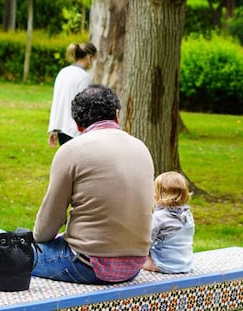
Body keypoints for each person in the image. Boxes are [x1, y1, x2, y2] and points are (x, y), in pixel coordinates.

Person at [32, 84, 155, 284]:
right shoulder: (141, 148)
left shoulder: (72, 150)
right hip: (134, 265)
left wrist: (35, 242)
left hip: (88, 264)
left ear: (78, 125)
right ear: (116, 115)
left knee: (10, 250)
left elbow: (47, 226)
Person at [142, 171, 195, 274]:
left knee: (139, 261)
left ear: (159, 196)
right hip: (186, 263)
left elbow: (147, 242)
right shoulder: (187, 215)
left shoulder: (159, 217)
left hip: (166, 264)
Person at [48, 42, 97, 147]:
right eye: (93, 59)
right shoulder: (84, 77)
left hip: (61, 129)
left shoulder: (63, 72)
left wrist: (53, 129)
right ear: (89, 57)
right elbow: (83, 105)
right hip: (75, 131)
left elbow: (57, 101)